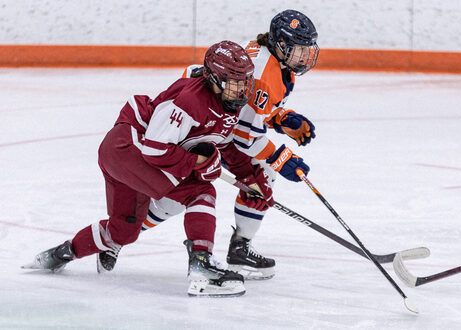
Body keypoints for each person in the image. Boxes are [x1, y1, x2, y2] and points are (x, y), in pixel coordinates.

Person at [23, 40, 257, 297]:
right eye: (235, 81)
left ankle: (59, 254)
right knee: (201, 192)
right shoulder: (190, 101)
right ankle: (202, 266)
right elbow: (155, 149)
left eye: (245, 80)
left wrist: (249, 176)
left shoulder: (224, 101)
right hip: (130, 148)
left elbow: (221, 143)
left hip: (122, 153)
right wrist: (198, 163)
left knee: (124, 230)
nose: (242, 89)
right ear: (214, 77)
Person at [99, 9, 320, 280]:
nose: (305, 56)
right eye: (299, 49)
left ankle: (120, 238)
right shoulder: (265, 73)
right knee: (202, 190)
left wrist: (281, 118)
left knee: (190, 195)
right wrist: (281, 158)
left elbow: (250, 111)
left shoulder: (269, 58)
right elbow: (243, 136)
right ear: (281, 45)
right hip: (210, 129)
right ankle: (120, 237)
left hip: (216, 126)